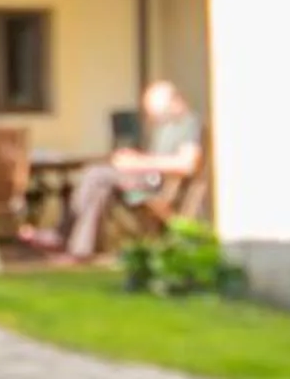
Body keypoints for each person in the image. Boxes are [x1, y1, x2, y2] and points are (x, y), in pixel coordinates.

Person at [54, 80, 202, 261]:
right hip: (148, 177)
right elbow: (157, 158)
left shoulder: (188, 124)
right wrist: (135, 159)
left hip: (157, 185)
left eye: (156, 111)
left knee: (95, 174)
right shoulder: (167, 126)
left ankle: (61, 235)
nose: (154, 117)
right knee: (99, 186)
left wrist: (139, 163)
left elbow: (186, 164)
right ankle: (80, 250)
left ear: (174, 101)